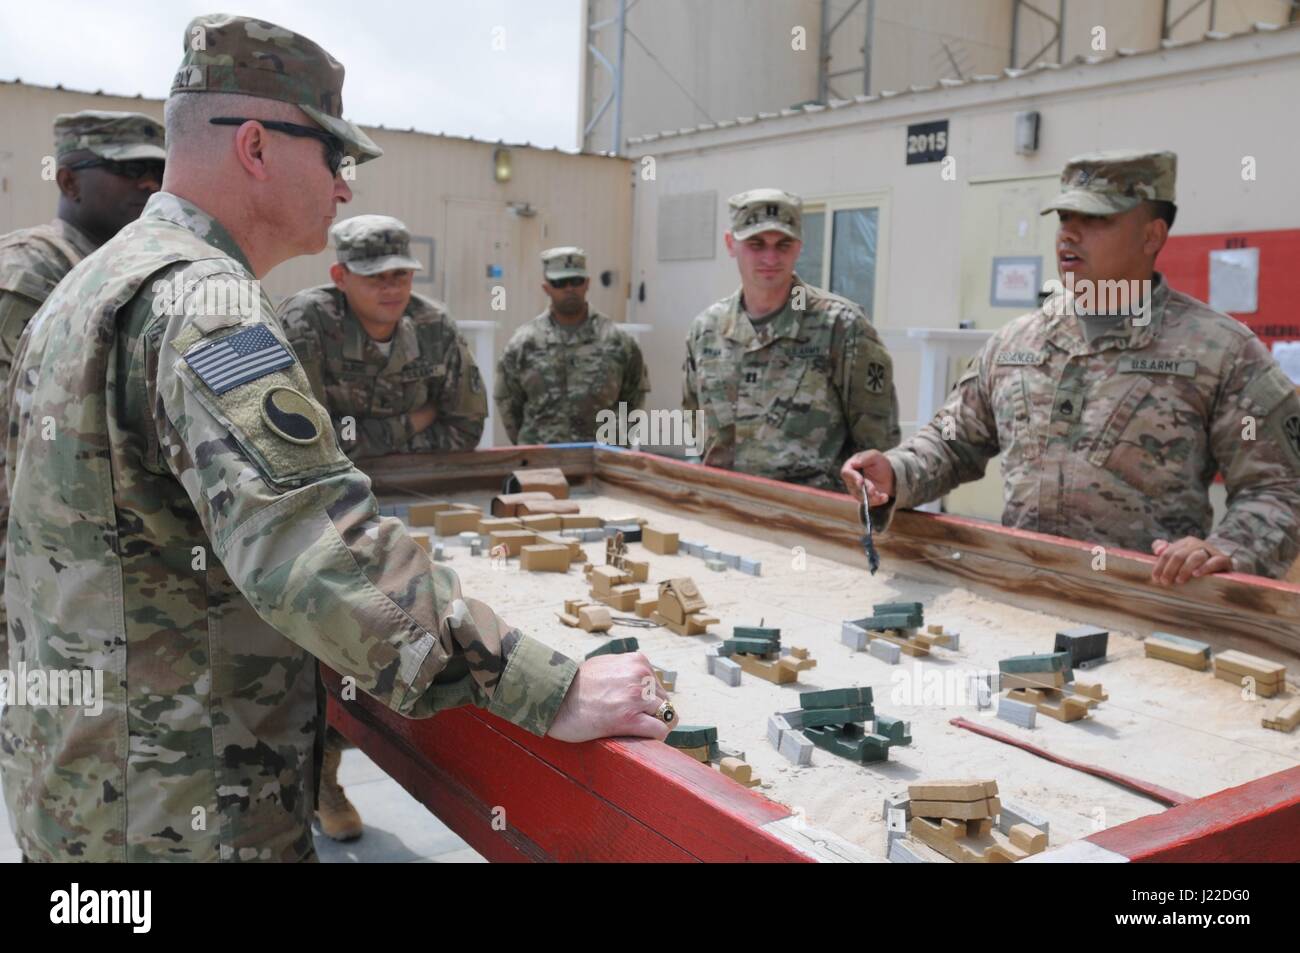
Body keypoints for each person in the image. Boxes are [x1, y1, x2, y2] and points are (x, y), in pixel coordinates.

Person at [1, 13, 669, 863]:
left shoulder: (88, 282)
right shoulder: (207, 303)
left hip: (77, 788)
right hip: (180, 810)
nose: (346, 189)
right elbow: (317, 549)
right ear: (255, 145)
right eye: (335, 156)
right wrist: (547, 682)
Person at [843, 150, 1300, 585]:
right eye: (1065, 218)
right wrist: (894, 473)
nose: (1069, 234)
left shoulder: (1221, 352)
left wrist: (1228, 548)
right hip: (1021, 594)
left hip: (1148, 607)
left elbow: (1280, 489)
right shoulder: (1015, 342)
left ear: (1152, 236)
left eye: (1096, 219)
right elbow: (953, 443)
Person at [0, 110, 164, 665]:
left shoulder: (111, 271)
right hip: (27, 564)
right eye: (126, 169)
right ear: (68, 180)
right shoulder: (29, 273)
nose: (148, 183)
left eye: (155, 171)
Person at [682, 189, 900, 489]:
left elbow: (878, 446)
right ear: (731, 244)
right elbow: (696, 432)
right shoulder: (706, 330)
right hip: (724, 511)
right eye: (756, 244)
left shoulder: (841, 327)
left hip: (809, 518)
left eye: (782, 245)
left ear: (798, 247)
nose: (770, 257)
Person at [281, 213, 486, 460]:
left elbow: (465, 429)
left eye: (400, 273)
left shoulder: (435, 325)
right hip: (328, 487)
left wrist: (374, 448)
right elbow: (305, 438)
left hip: (414, 480)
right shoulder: (306, 322)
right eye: (374, 275)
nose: (391, 288)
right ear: (340, 277)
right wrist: (412, 422)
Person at [495, 246, 649, 444]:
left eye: (576, 281)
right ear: (546, 288)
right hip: (541, 464)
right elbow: (508, 404)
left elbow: (633, 399)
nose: (569, 288)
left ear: (587, 283)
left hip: (601, 461)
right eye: (559, 282)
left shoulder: (618, 342)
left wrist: (618, 441)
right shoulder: (523, 344)